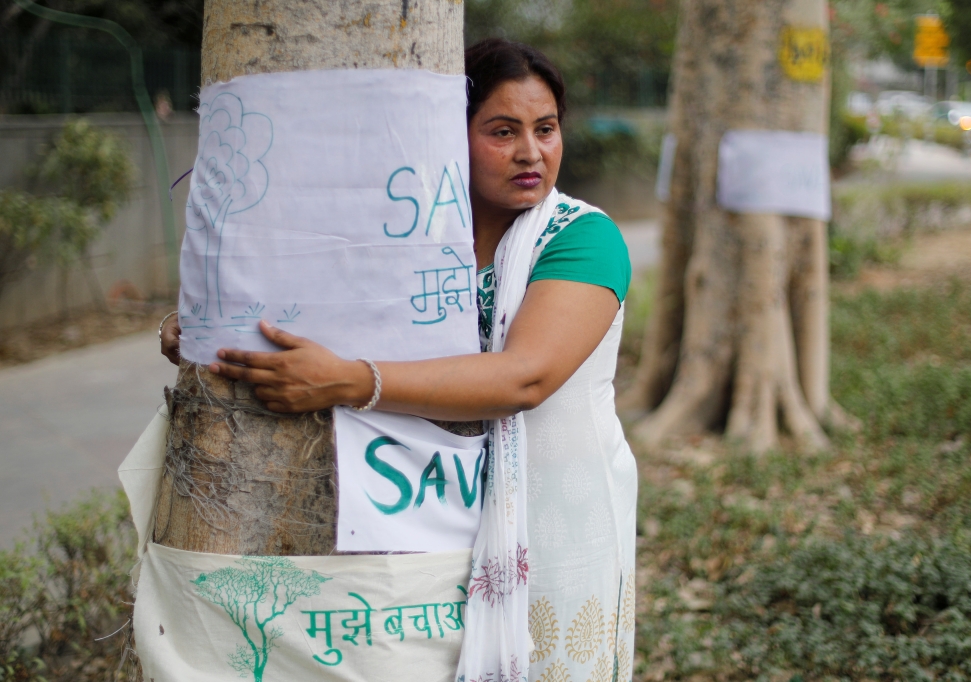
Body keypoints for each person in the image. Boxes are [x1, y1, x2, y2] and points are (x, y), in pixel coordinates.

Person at [160, 38, 637, 681]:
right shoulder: (411, 233)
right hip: (427, 517)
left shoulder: (583, 237)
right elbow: (319, 304)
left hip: (554, 521)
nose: (532, 152)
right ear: (448, 136)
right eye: (503, 131)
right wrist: (214, 328)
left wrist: (352, 382)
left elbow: (525, 378)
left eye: (546, 129)